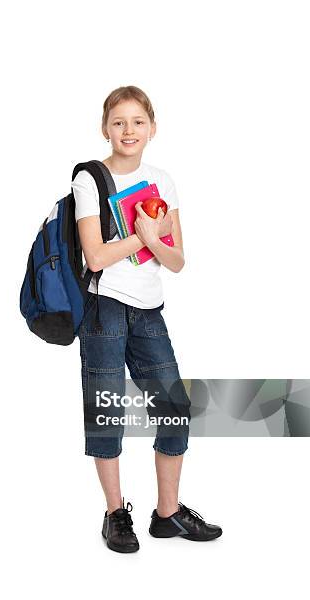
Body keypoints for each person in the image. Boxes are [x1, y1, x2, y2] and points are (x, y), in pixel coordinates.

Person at [72, 85, 222, 553]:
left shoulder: (163, 180)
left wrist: (150, 240)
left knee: (174, 407)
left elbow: (176, 261)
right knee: (107, 413)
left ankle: (168, 515)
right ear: (105, 129)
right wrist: (145, 236)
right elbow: (95, 257)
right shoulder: (90, 181)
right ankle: (116, 515)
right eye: (118, 122)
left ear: (152, 128)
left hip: (149, 310)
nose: (128, 130)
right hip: (104, 308)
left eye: (138, 121)